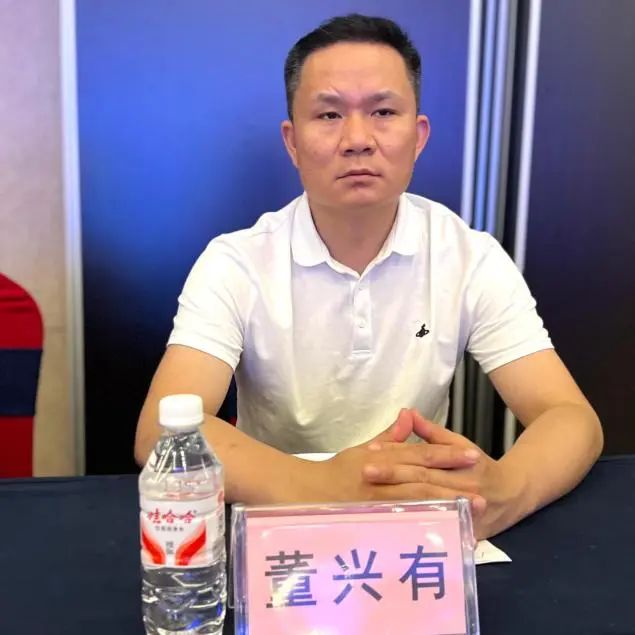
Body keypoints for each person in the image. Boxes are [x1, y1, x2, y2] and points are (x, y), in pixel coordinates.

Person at [134, 14, 603, 539]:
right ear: (292, 142)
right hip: (277, 519)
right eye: (329, 114)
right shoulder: (236, 262)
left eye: (383, 112)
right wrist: (327, 486)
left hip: (415, 526)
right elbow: (159, 431)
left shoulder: (469, 256)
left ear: (418, 135)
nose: (357, 139)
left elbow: (570, 417)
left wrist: (505, 492)